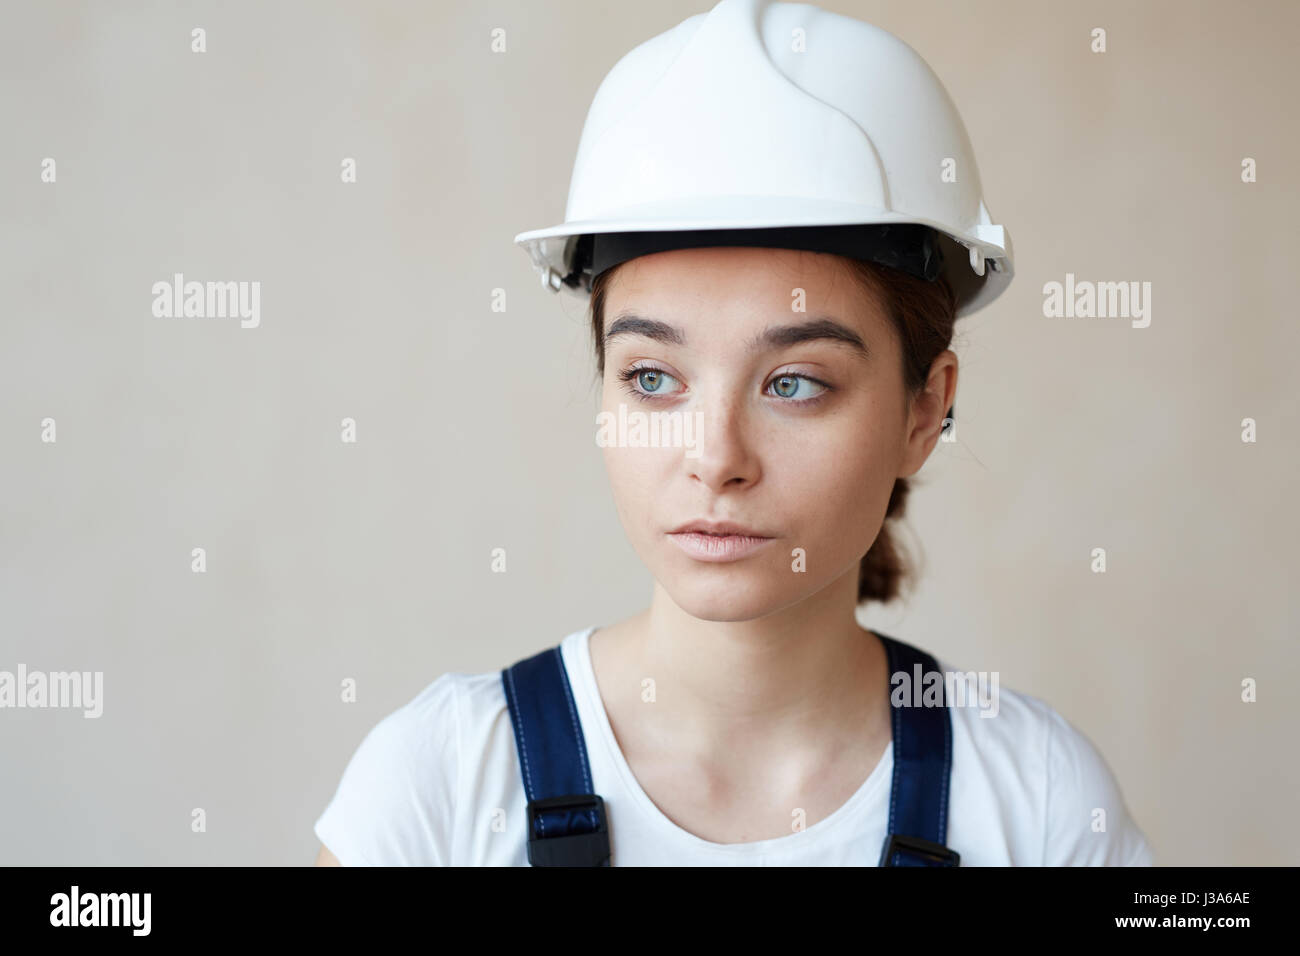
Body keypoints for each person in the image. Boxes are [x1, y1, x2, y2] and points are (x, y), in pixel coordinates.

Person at [313, 0, 1154, 866]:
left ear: (922, 411)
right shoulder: (439, 785)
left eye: (793, 384)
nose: (715, 457)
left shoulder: (1041, 803)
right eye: (651, 379)